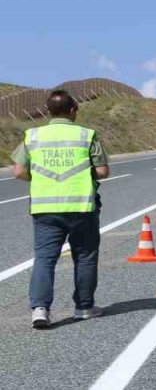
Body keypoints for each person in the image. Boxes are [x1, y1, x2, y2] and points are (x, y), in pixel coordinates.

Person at [11, 89, 110, 328]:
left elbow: (19, 171)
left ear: (48, 111)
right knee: (85, 256)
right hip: (81, 206)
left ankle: (40, 309)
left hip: (45, 208)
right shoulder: (86, 135)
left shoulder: (32, 135)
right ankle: (84, 307)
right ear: (73, 110)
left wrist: (41, 180)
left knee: (45, 258)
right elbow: (102, 171)